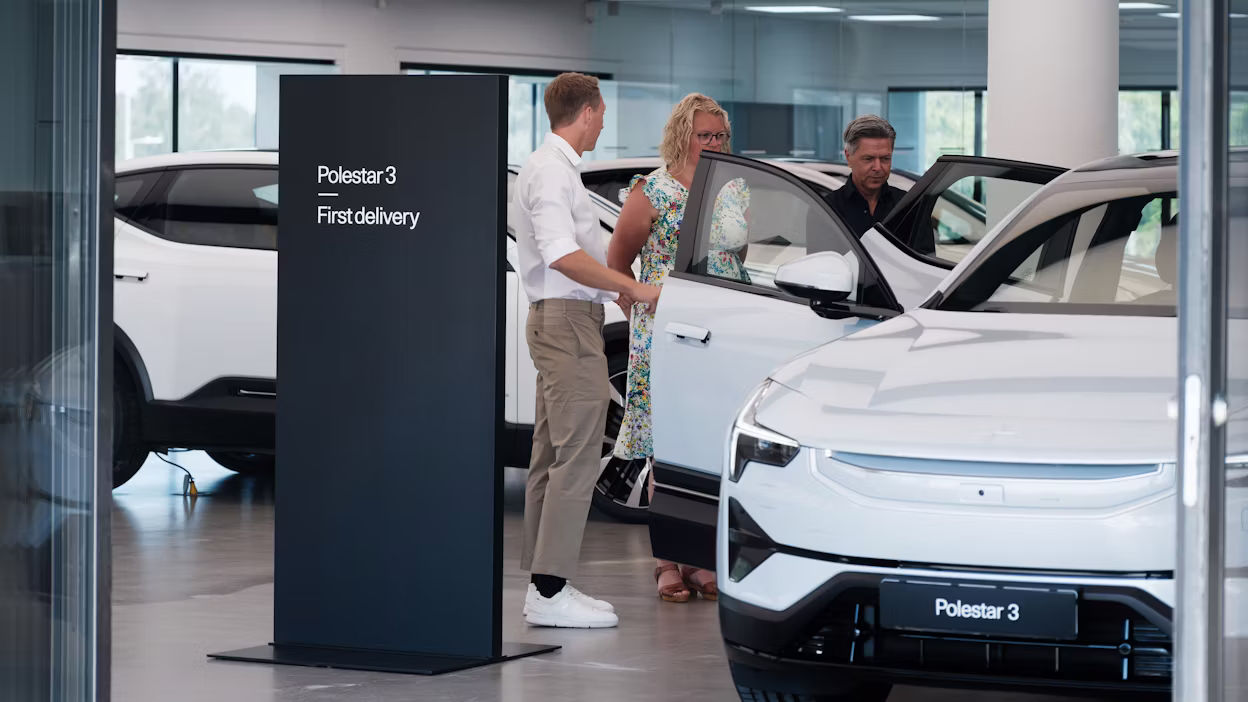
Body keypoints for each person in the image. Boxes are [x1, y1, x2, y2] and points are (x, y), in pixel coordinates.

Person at [513, 72, 662, 629]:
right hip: (566, 324)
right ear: (589, 110)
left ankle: (545, 587)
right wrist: (634, 287)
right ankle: (550, 592)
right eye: (601, 112)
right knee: (573, 458)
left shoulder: (553, 169)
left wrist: (613, 291)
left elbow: (576, 255)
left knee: (552, 455)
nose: (603, 121)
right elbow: (559, 254)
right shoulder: (552, 172)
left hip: (562, 319)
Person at [607, 93, 746, 603]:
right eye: (705, 135)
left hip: (724, 332)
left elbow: (736, 258)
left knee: (711, 446)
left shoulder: (733, 188)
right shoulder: (652, 191)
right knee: (667, 450)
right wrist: (640, 316)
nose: (713, 143)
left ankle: (702, 560)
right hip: (666, 335)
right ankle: (667, 561)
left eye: (720, 136)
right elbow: (618, 264)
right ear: (682, 135)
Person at [829, 115, 907, 237]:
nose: (877, 167)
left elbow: (925, 254)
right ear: (849, 157)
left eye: (885, 159)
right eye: (868, 159)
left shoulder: (907, 207)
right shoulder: (828, 209)